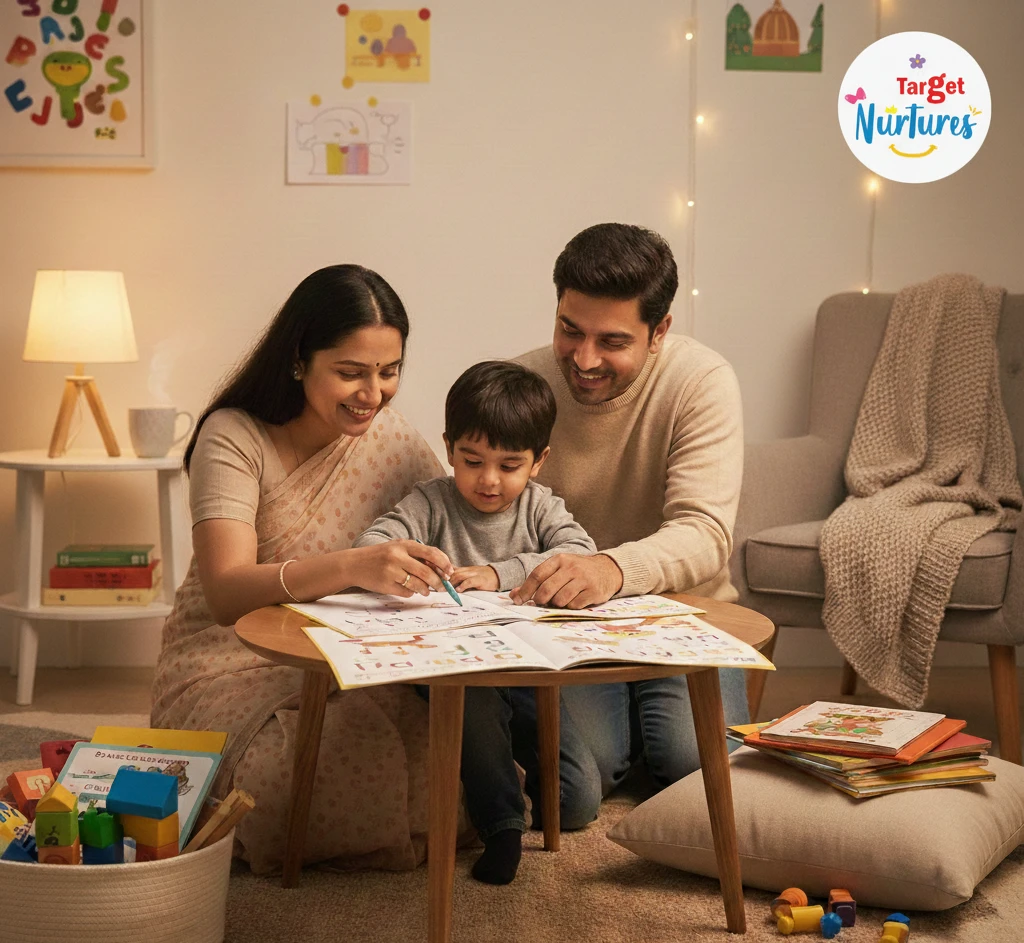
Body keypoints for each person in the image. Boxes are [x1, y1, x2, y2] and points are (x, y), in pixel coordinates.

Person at [151, 264, 458, 875]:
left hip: (356, 656)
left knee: (465, 758)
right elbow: (225, 593)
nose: (373, 394)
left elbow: (452, 524)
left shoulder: (391, 438)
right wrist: (353, 567)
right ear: (298, 360)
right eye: (350, 372)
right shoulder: (234, 437)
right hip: (232, 658)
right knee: (290, 774)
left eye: (389, 372)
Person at [514, 222, 749, 802]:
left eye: (612, 341)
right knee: (586, 770)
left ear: (659, 330)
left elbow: (705, 534)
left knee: (696, 767)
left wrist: (608, 570)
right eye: (570, 330)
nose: (584, 359)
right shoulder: (524, 383)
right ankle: (625, 732)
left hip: (684, 615)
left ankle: (649, 727)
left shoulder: (703, 382)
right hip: (568, 620)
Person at [353, 360, 598, 884]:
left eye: (509, 465)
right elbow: (372, 545)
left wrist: (498, 572)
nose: (488, 480)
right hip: (453, 667)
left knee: (575, 804)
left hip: (529, 669)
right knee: (475, 700)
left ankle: (520, 783)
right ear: (449, 449)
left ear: (539, 462)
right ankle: (502, 827)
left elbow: (581, 551)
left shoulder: (539, 506)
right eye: (472, 461)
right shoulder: (430, 502)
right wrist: (407, 561)